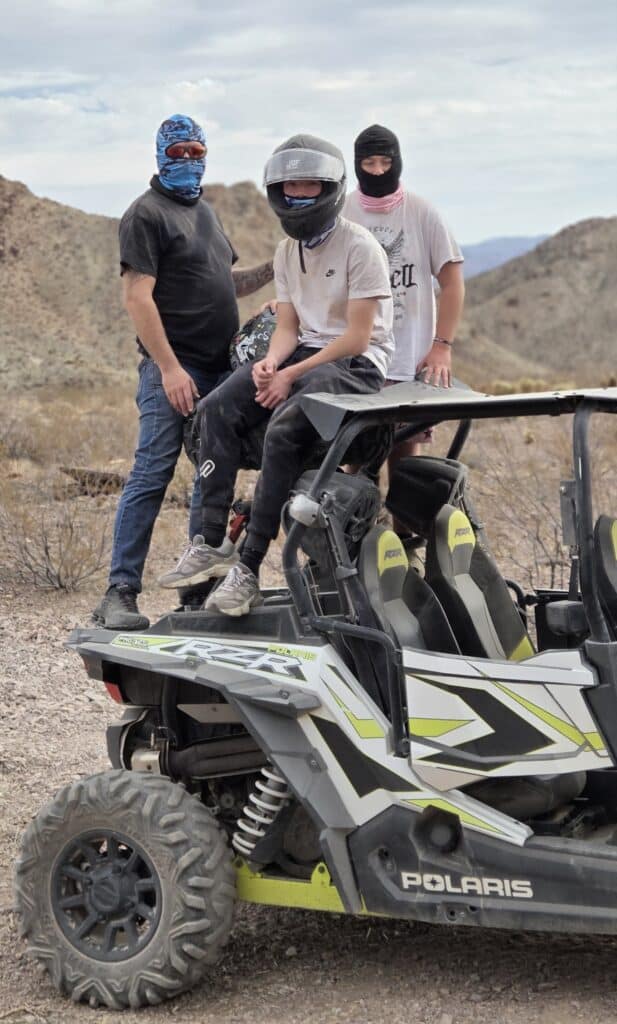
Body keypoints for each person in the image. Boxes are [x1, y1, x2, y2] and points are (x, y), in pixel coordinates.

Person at [158, 133, 394, 616]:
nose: (298, 195)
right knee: (215, 408)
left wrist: (291, 376)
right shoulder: (289, 250)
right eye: (290, 187)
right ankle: (209, 542)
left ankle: (248, 566)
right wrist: (269, 362)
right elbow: (288, 326)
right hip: (305, 351)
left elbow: (357, 337)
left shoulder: (361, 247)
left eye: (309, 186)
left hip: (356, 364)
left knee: (285, 427)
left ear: (329, 188)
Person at [93, 114, 274, 630]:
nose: (190, 161)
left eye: (198, 152)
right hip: (173, 370)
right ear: (161, 155)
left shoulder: (208, 215)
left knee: (210, 479)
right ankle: (119, 594)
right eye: (180, 153)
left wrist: (272, 273)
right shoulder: (145, 215)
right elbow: (136, 296)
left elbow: (223, 282)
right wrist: (170, 368)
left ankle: (196, 595)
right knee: (151, 473)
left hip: (220, 371)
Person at [344, 124, 464, 467]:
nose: (379, 171)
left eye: (385, 162)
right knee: (358, 460)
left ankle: (403, 524)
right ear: (357, 165)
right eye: (369, 164)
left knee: (406, 461)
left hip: (411, 360)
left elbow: (453, 282)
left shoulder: (422, 213)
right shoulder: (343, 213)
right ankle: (362, 523)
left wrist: (442, 346)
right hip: (359, 360)